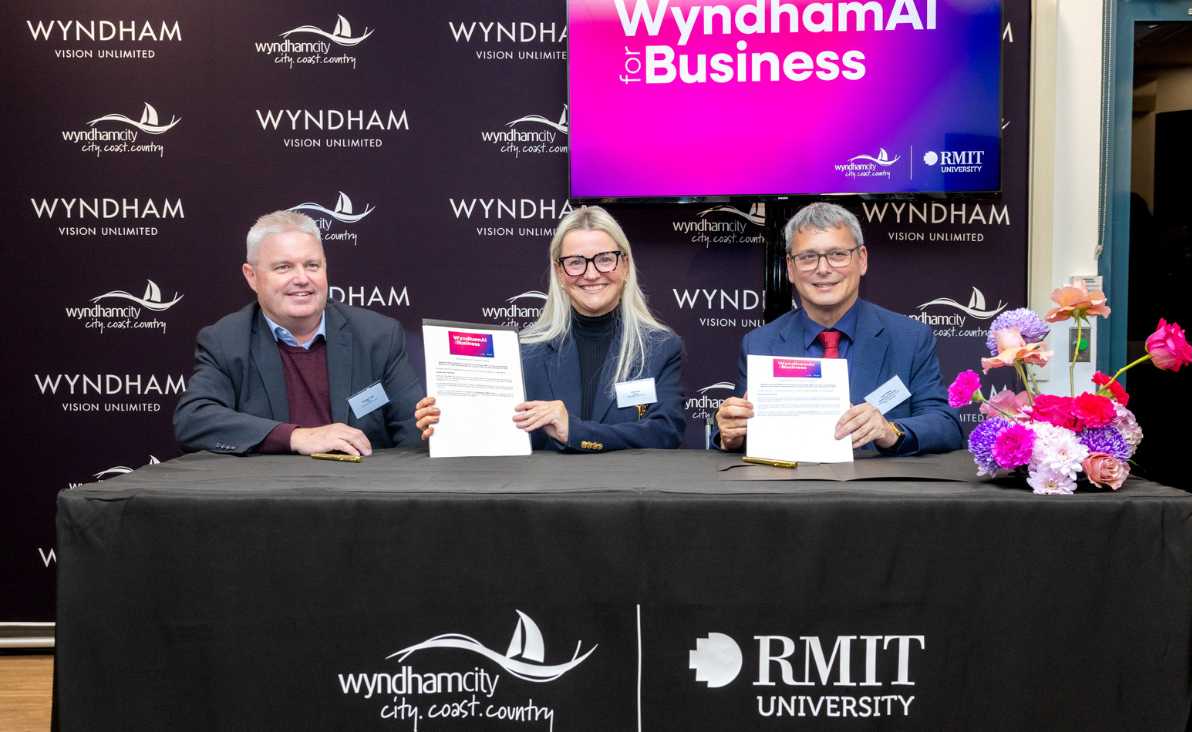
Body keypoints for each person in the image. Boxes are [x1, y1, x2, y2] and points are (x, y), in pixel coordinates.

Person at [415, 206, 685, 452]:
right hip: (541, 501)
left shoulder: (660, 347)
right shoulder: (522, 351)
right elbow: (495, 434)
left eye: (604, 259)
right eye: (576, 262)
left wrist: (574, 431)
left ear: (624, 266)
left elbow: (665, 433)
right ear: (560, 273)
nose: (591, 274)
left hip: (630, 499)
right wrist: (449, 422)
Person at [715, 202, 961, 455]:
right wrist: (731, 433)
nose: (823, 269)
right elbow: (738, 429)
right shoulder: (759, 343)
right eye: (808, 257)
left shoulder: (910, 338)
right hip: (789, 489)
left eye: (837, 255)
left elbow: (945, 425)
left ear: (862, 260)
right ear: (790, 268)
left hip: (879, 491)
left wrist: (891, 431)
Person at [174, 211, 423, 456]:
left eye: (312, 265)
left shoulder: (377, 336)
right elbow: (193, 420)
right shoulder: (225, 341)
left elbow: (414, 431)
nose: (302, 278)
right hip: (269, 492)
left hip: (359, 490)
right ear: (251, 277)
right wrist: (296, 436)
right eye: (284, 267)